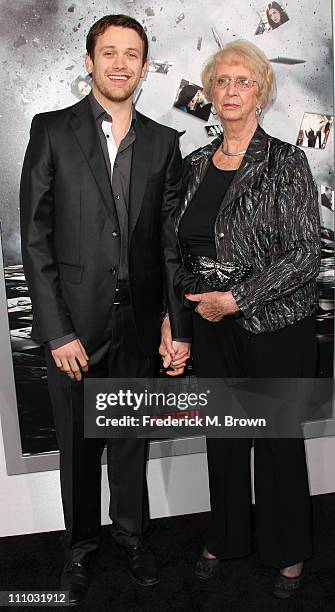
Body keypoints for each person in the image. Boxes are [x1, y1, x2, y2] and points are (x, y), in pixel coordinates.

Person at [20, 14, 190, 606]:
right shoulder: (51, 131)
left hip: (139, 324)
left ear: (145, 68)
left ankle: (133, 536)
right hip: (75, 329)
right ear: (89, 61)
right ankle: (79, 549)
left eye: (132, 54)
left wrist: (174, 322)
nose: (120, 64)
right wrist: (57, 330)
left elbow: (170, 245)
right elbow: (35, 239)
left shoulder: (167, 143)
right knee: (78, 445)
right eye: (109, 53)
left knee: (128, 441)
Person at [171, 39, 321, 599]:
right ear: (209, 93)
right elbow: (176, 255)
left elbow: (306, 254)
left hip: (274, 326)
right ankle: (229, 535)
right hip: (211, 327)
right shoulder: (191, 166)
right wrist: (178, 317)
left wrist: (235, 298)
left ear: (261, 91)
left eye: (244, 81)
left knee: (278, 441)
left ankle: (289, 552)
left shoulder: (286, 161)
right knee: (225, 439)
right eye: (222, 82)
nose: (231, 91)